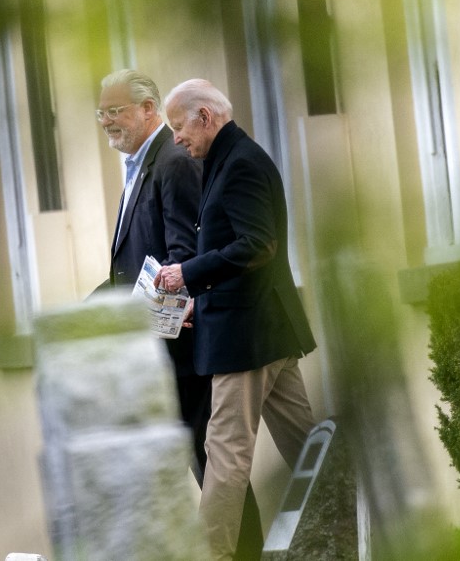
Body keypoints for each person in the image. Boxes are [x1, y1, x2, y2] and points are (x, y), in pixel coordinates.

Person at [96, 69, 263, 560]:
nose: (106, 121)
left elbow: (181, 256)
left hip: (182, 349)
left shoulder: (172, 162)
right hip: (157, 348)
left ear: (149, 110)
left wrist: (155, 315)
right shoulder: (140, 166)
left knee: (215, 470)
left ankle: (244, 553)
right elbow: (129, 269)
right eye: (101, 112)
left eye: (116, 110)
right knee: (204, 467)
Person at [154, 78, 318, 561]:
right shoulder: (230, 159)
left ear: (205, 116)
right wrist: (193, 297)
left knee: (223, 455)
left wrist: (186, 273)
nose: (176, 139)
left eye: (178, 126)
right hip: (263, 332)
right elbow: (239, 252)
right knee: (310, 448)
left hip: (245, 340)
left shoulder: (241, 163)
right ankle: (378, 526)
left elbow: (256, 246)